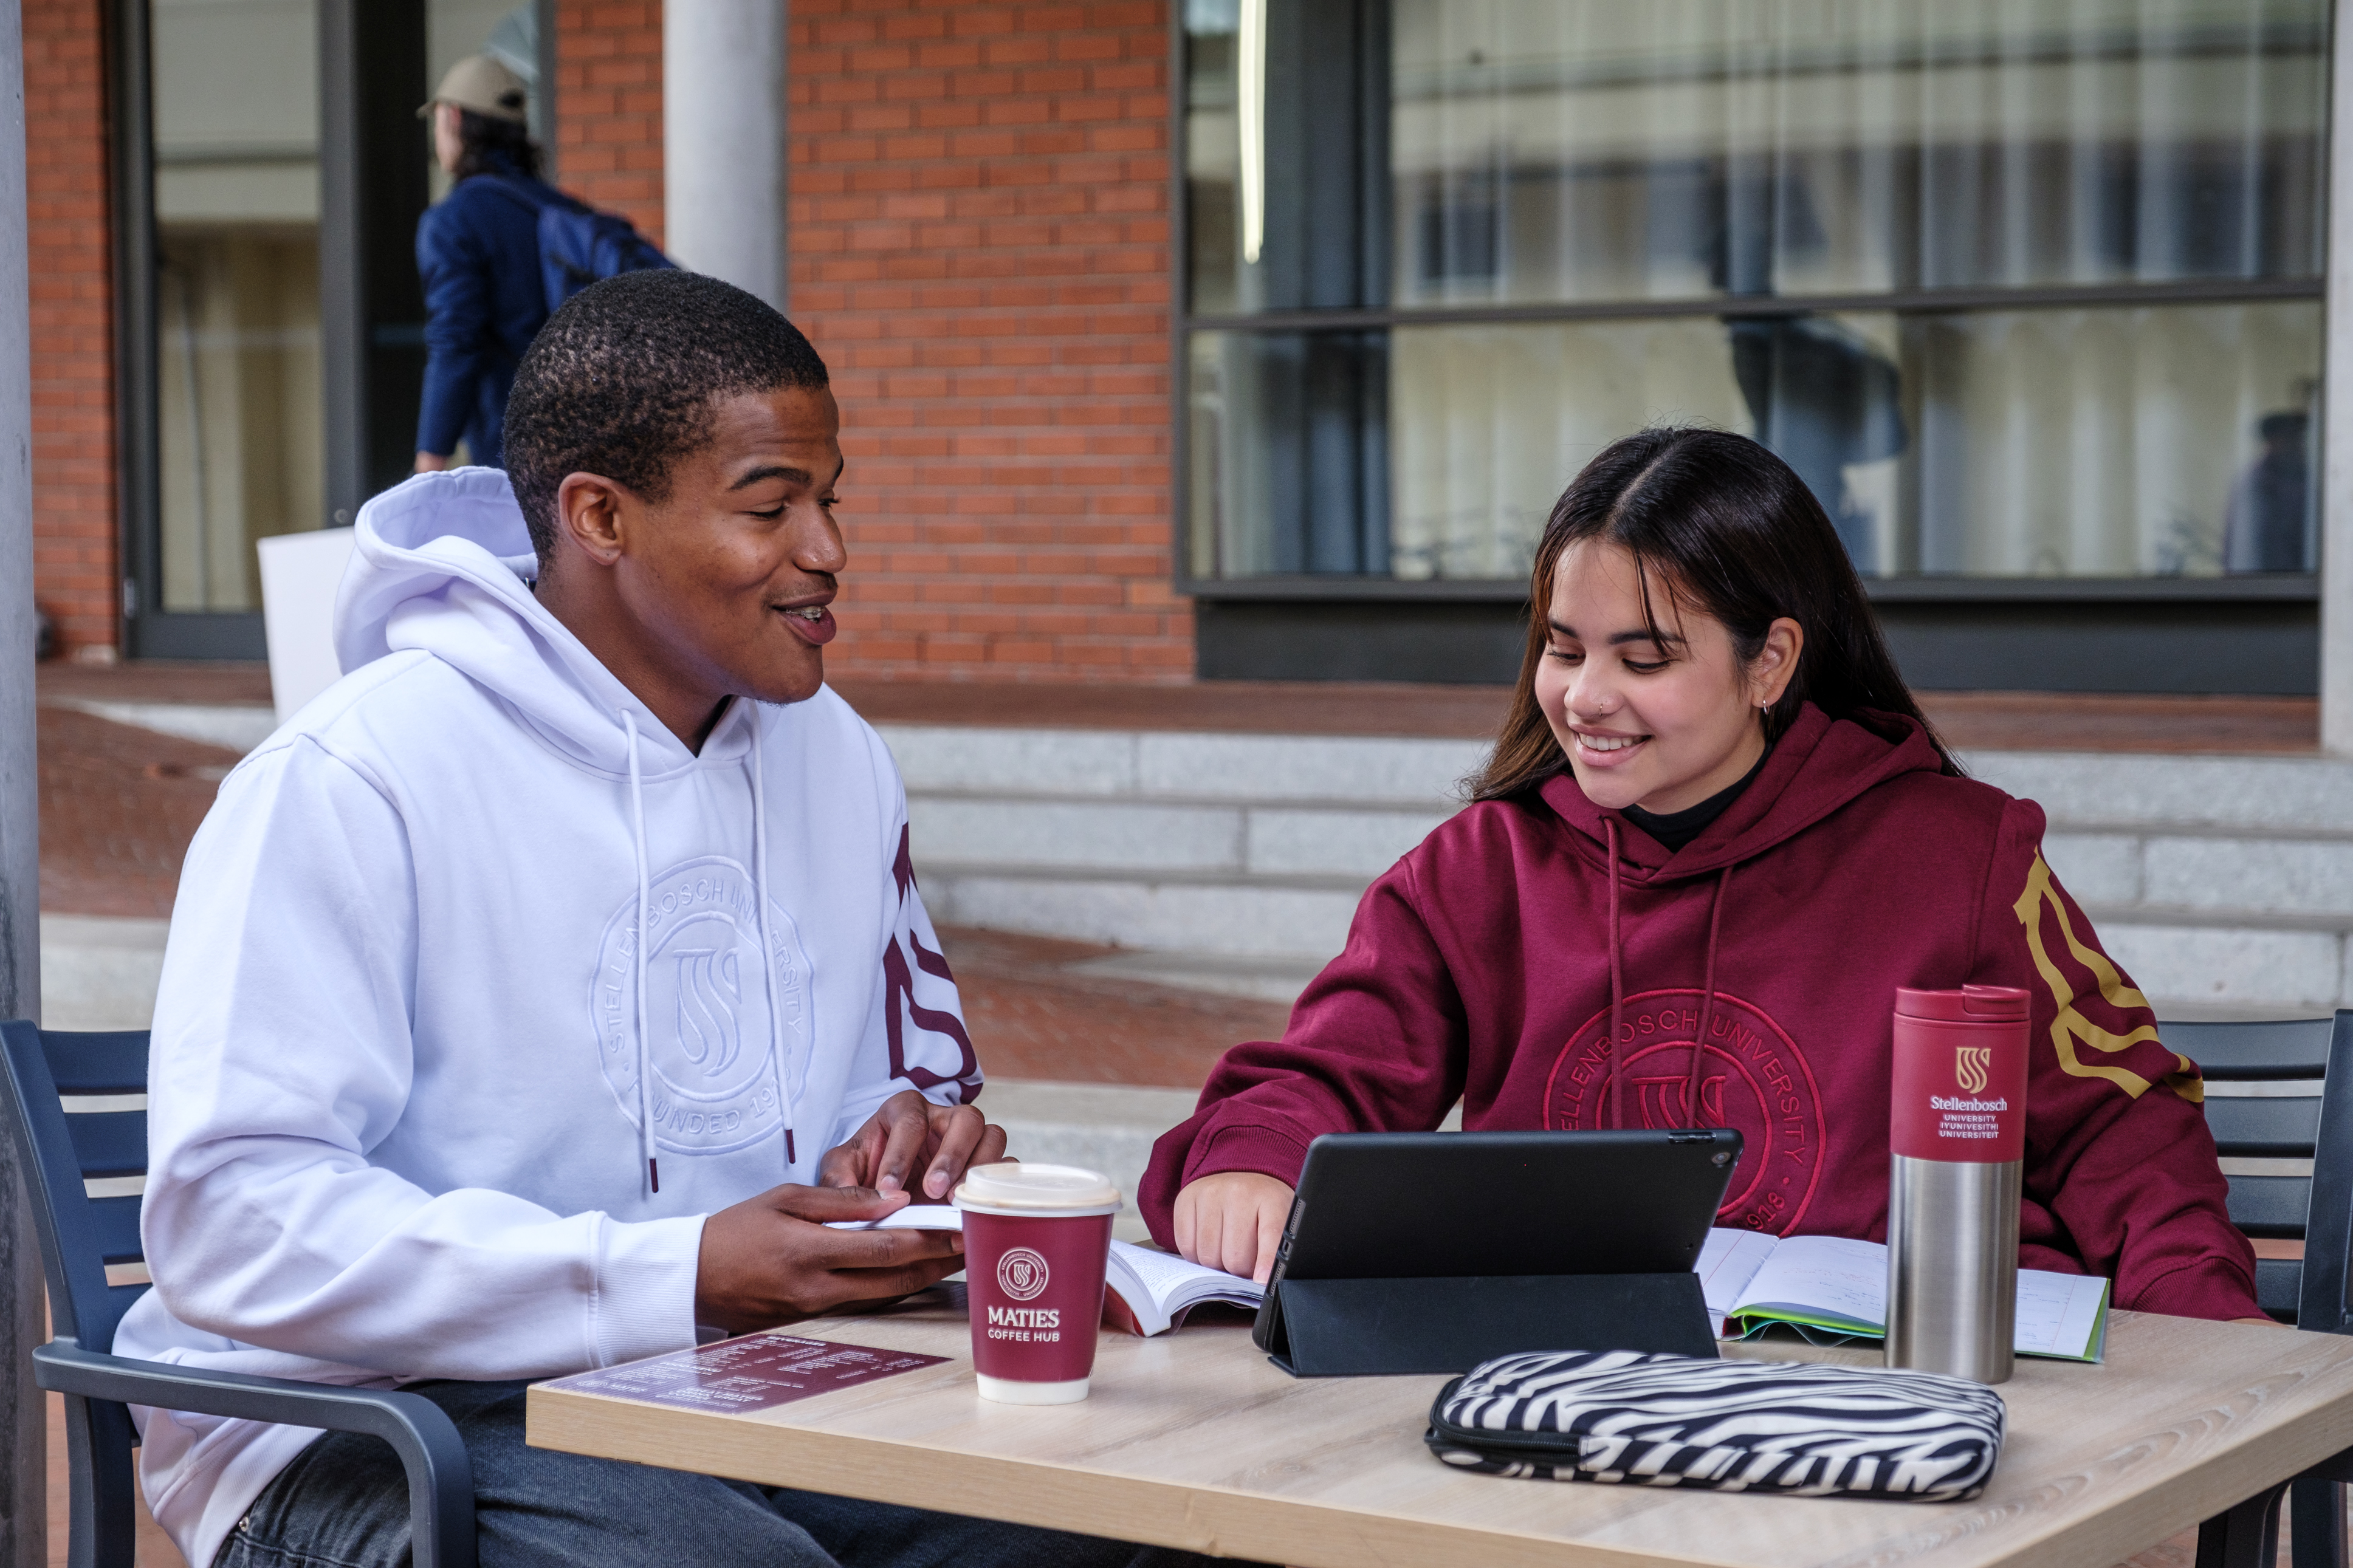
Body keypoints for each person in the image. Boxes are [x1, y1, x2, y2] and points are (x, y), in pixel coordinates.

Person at [120, 271, 1231, 1568]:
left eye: (831, 498)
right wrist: (675, 1270)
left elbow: (896, 1077)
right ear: (600, 515)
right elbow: (231, 1218)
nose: (827, 550)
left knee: (1129, 1513)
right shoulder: (353, 779)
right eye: (770, 505)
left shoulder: (836, 757)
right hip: (363, 1422)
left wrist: (902, 1147)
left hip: (734, 1377)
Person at [1143, 427, 2261, 1326]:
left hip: (1884, 1387)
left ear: (1769, 660)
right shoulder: (1481, 868)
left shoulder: (1956, 855)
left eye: (1644, 658)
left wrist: (2205, 1340)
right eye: (1562, 646)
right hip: (1562, 1383)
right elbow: (1323, 1075)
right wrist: (1248, 1163)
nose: (1584, 696)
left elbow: (2120, 1123)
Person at [413, 55, 558, 475]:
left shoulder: (453, 220)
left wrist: (430, 457)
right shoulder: (561, 212)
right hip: (588, 438)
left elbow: (456, 340)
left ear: (454, 118)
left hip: (511, 445)